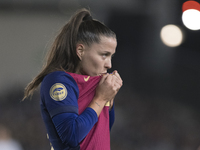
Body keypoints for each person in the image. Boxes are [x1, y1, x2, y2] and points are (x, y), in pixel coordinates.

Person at [23, 8, 123, 150]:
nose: (109, 64)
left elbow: (102, 131)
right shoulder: (58, 80)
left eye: (111, 56)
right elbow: (72, 135)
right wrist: (100, 99)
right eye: (104, 55)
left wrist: (110, 99)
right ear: (80, 51)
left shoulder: (96, 83)